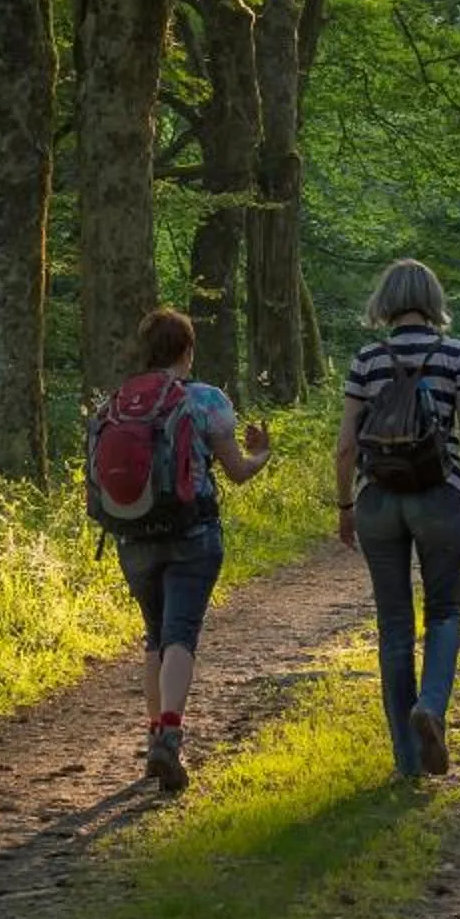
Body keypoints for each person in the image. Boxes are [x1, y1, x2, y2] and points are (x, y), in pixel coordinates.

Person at [333, 258, 460, 780]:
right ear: (433, 300)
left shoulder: (366, 359)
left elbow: (346, 447)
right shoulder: (456, 354)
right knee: (444, 611)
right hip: (440, 495)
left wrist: (345, 507)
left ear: (385, 301)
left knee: (393, 626)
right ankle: (431, 706)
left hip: (379, 501)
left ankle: (406, 762)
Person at [109, 306, 272, 792]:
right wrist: (261, 451)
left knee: (154, 634)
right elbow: (238, 471)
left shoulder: (120, 401)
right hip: (192, 533)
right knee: (181, 631)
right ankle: (171, 736)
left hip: (134, 537)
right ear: (188, 349)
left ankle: (155, 734)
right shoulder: (205, 399)